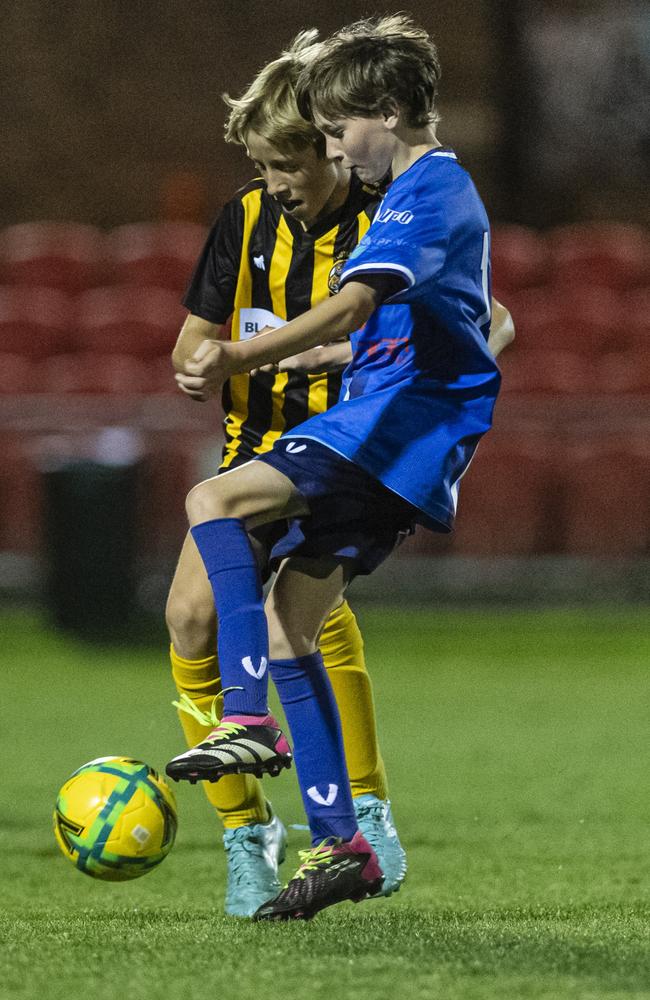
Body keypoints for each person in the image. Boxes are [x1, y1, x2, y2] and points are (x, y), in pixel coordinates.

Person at [166, 14, 508, 921]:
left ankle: (244, 721)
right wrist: (325, 363)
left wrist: (249, 357)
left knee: (213, 495)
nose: (323, 150)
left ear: (385, 112)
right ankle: (343, 844)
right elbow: (413, 322)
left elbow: (359, 303)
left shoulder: (421, 193)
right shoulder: (410, 188)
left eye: (329, 134)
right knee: (287, 626)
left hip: (391, 429)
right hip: (394, 425)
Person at [165, 32, 407, 919]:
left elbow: (471, 319)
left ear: (329, 149)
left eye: (287, 164)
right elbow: (197, 336)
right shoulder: (244, 217)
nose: (275, 183)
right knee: (189, 616)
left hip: (350, 451)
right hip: (256, 446)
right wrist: (198, 364)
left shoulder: (387, 217)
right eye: (262, 166)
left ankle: (365, 811)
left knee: (301, 616)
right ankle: (246, 831)